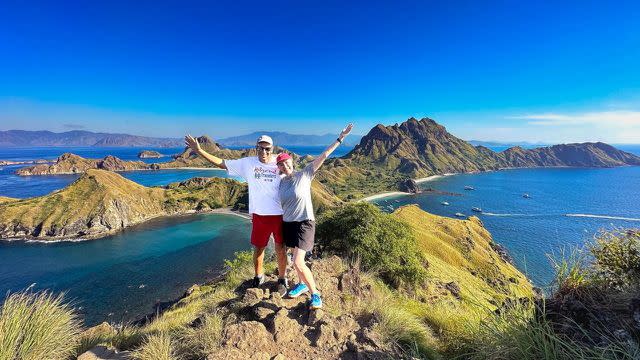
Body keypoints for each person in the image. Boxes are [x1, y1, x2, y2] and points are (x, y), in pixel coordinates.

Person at [184, 134, 289, 295]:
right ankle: (258, 276)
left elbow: (295, 175)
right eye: (260, 148)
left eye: (267, 148)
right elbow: (221, 163)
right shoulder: (247, 163)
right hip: (259, 215)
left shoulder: (279, 162)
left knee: (280, 248)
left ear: (272, 149)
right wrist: (199, 150)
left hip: (279, 215)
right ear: (256, 148)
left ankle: (282, 279)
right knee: (259, 248)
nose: (264, 151)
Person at [276, 123, 353, 309]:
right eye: (281, 164)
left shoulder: (305, 174)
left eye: (287, 162)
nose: (285, 166)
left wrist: (341, 137)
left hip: (304, 223)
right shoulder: (280, 183)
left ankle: (316, 294)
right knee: (295, 264)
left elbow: (325, 155)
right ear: (278, 167)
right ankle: (302, 285)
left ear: (292, 162)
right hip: (289, 225)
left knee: (297, 261)